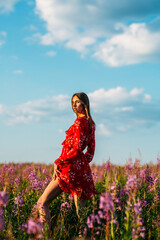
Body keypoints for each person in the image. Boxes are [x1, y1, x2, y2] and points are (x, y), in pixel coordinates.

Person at [37, 92, 97, 235]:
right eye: (73, 103)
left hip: (69, 167)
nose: (74, 105)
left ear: (85, 104)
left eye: (77, 102)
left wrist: (59, 162)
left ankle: (47, 236)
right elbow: (91, 151)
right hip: (81, 168)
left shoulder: (78, 122)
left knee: (42, 202)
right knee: (81, 212)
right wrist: (82, 165)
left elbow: (75, 148)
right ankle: (86, 236)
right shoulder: (91, 124)